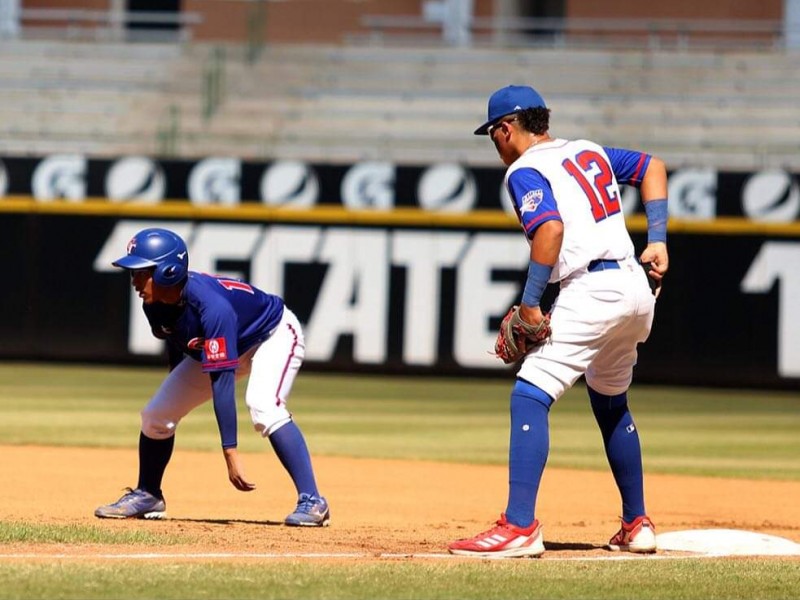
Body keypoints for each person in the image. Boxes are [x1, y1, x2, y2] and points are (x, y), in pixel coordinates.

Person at [448, 85, 668, 558]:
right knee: (611, 403)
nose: (495, 144)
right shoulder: (587, 150)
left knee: (530, 394)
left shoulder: (524, 169)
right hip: (634, 286)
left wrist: (530, 303)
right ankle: (637, 523)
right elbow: (652, 166)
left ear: (507, 128)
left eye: (493, 134)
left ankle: (520, 526)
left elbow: (550, 229)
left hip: (592, 290)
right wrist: (659, 239)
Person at [94, 227, 330, 527]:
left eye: (141, 272)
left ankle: (313, 500)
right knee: (156, 415)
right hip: (225, 344)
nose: (134, 281)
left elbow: (222, 381)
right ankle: (148, 493)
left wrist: (230, 452)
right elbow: (178, 345)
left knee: (263, 406)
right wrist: (174, 389)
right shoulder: (153, 305)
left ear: (168, 271)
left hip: (271, 335)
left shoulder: (212, 308)